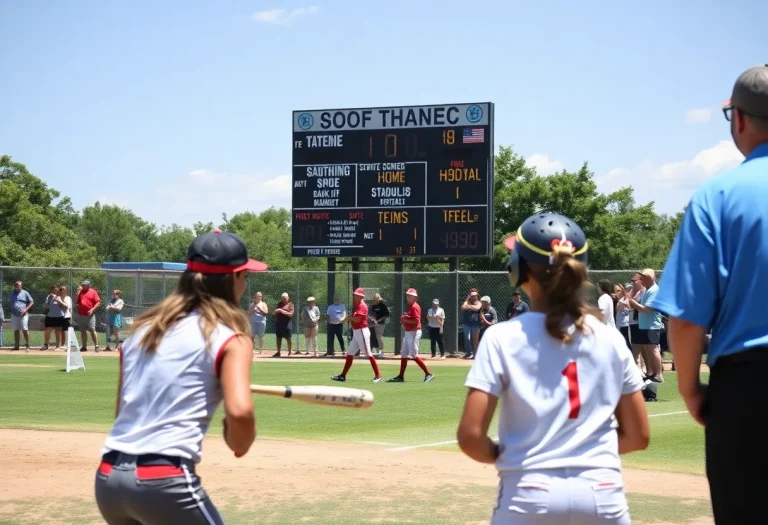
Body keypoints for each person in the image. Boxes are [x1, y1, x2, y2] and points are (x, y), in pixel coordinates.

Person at [457, 212, 649, 524]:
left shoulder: (501, 337)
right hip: (602, 493)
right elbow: (638, 436)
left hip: (529, 492)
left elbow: (470, 436)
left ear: (518, 270)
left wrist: (512, 454)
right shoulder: (610, 339)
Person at [652, 65, 768, 524]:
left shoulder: (717, 196)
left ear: (738, 119)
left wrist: (690, 389)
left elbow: (685, 318)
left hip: (748, 388)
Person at [94, 229, 266, 524]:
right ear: (233, 278)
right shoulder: (231, 338)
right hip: (163, 481)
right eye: (245, 275)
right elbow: (240, 414)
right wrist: (238, 438)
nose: (246, 283)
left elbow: (123, 413)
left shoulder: (143, 331)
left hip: (109, 477)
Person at [331, 288, 382, 383]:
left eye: (356, 295)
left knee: (368, 354)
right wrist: (348, 317)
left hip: (362, 331)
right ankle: (343, 376)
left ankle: (378, 376)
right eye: (354, 295)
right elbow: (354, 316)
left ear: (361, 296)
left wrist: (347, 318)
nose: (354, 296)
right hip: (356, 333)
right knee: (350, 353)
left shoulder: (362, 305)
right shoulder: (357, 305)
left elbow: (357, 319)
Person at [387, 288, 433, 383]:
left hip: (414, 332)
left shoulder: (415, 306)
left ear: (415, 297)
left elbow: (416, 321)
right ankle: (401, 376)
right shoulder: (410, 306)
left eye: (410, 295)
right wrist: (405, 320)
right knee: (404, 354)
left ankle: (428, 373)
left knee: (413, 355)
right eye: (407, 295)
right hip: (408, 332)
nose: (408, 296)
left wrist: (405, 320)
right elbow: (410, 319)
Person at [628, 269, 663, 382]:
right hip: (644, 325)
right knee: (648, 349)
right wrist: (634, 304)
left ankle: (659, 374)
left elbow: (648, 309)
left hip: (652, 325)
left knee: (653, 348)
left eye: (644, 278)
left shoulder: (654, 290)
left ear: (651, 278)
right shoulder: (647, 290)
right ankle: (652, 372)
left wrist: (635, 304)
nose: (642, 280)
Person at [9, 281, 34, 352]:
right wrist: (13, 309)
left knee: (25, 329)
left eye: (18, 285)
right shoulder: (12, 293)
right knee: (16, 330)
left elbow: (32, 302)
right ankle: (16, 346)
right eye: (15, 285)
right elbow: (10, 302)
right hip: (14, 314)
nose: (16, 286)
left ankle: (27, 345)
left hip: (24, 315)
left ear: (21, 286)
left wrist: (25, 310)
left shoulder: (25, 293)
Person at [77, 280, 101, 352]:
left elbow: (98, 302)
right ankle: (84, 346)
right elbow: (77, 302)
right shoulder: (81, 292)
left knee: (92, 330)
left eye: (84, 285)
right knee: (82, 331)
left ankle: (96, 346)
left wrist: (92, 309)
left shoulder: (93, 292)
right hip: (81, 314)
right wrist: (78, 293)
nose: (83, 286)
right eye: (82, 285)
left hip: (90, 315)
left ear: (88, 285)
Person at [460, 289, 482, 359]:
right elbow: (463, 307)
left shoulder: (479, 302)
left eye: (475, 295)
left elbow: (477, 308)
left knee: (475, 341)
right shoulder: (467, 302)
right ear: (470, 296)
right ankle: (469, 353)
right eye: (472, 295)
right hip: (467, 324)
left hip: (475, 324)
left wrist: (469, 307)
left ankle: (476, 355)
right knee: (467, 338)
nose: (474, 297)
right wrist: (467, 300)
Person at [272, 293, 295, 357]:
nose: (283, 299)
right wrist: (276, 311)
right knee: (278, 337)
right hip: (279, 323)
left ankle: (290, 352)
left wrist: (281, 311)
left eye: (284, 298)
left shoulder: (291, 304)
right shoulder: (279, 304)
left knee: (289, 338)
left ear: (288, 298)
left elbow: (291, 314)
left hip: (287, 324)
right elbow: (273, 312)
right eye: (282, 298)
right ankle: (278, 352)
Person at [42, 284, 63, 350]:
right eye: (53, 289)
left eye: (56, 289)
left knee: (58, 331)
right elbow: (45, 306)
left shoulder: (61, 297)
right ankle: (46, 344)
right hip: (50, 316)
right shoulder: (49, 296)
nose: (55, 290)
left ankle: (58, 346)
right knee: (47, 331)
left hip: (59, 316)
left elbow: (63, 306)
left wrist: (56, 299)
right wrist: (50, 299)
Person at [369, 293, 389, 358]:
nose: (375, 299)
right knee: (371, 336)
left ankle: (381, 352)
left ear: (379, 298)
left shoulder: (383, 305)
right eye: (375, 298)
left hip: (380, 324)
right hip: (372, 324)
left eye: (377, 298)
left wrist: (379, 320)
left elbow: (386, 315)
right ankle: (371, 351)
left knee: (379, 337)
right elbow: (370, 313)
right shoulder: (373, 306)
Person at [614, 284, 632, 352]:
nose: (616, 293)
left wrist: (625, 304)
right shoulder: (619, 300)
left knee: (627, 343)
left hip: (626, 324)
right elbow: (617, 309)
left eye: (618, 291)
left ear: (622, 291)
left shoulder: (626, 298)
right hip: (619, 324)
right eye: (615, 291)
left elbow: (630, 308)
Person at [55, 286, 73, 350]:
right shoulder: (58, 297)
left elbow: (66, 307)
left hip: (66, 316)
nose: (62, 290)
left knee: (65, 330)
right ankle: (61, 344)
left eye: (63, 289)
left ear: (66, 291)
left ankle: (66, 344)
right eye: (61, 289)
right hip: (59, 315)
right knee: (60, 330)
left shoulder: (68, 298)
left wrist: (60, 302)